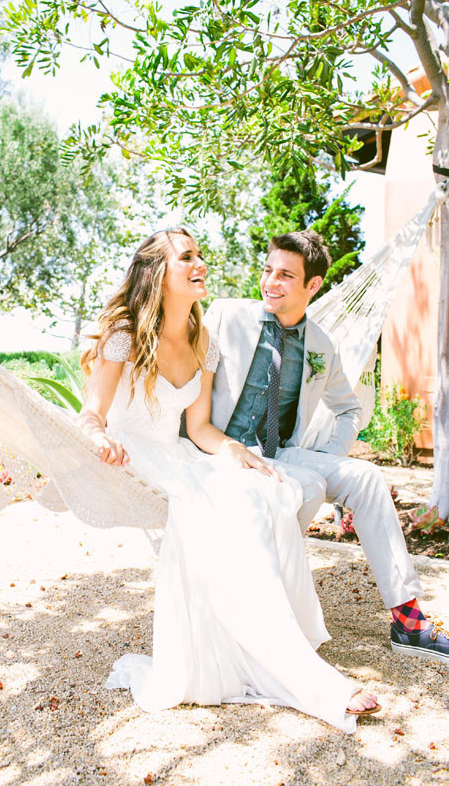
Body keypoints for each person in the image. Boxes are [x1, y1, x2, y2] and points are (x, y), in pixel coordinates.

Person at [78, 227, 380, 733]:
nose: (200, 263)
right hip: (136, 455)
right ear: (158, 272)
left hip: (180, 454)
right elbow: (92, 413)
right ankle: (310, 682)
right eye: (186, 257)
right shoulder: (124, 335)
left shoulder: (204, 341)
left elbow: (199, 428)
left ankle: (275, 646)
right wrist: (98, 437)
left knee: (269, 491)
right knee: (227, 504)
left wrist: (236, 451)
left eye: (199, 254)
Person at [205, 229, 448, 664]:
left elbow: (349, 409)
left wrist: (328, 458)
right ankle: (261, 604)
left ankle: (408, 619)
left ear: (313, 285)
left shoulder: (319, 344)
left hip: (280, 453)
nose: (270, 282)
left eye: (285, 275)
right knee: (305, 487)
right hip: (222, 448)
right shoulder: (226, 316)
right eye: (268, 270)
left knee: (367, 478)